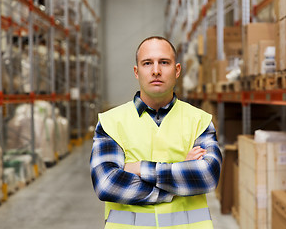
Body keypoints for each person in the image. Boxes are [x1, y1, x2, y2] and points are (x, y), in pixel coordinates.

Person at [90, 36, 222, 229]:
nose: (156, 70)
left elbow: (207, 176)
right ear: (136, 72)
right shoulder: (111, 122)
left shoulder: (199, 120)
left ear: (177, 70)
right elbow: (108, 184)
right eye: (147, 63)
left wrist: (140, 168)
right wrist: (179, 173)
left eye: (164, 62)